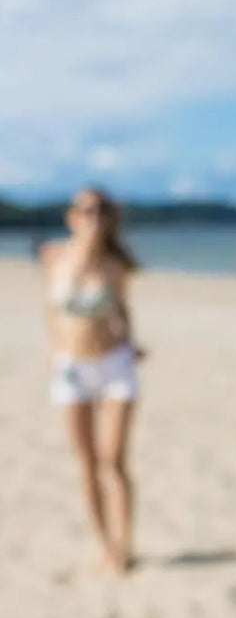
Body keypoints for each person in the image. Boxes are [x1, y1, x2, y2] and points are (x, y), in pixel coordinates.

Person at [40, 187, 141, 575]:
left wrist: (133, 343)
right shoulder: (53, 257)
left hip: (115, 365)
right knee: (85, 463)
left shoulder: (115, 264)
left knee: (112, 460)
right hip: (71, 368)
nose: (93, 216)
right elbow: (50, 309)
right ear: (72, 217)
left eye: (100, 210)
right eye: (86, 209)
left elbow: (122, 309)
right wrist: (52, 350)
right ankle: (106, 545)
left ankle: (125, 545)